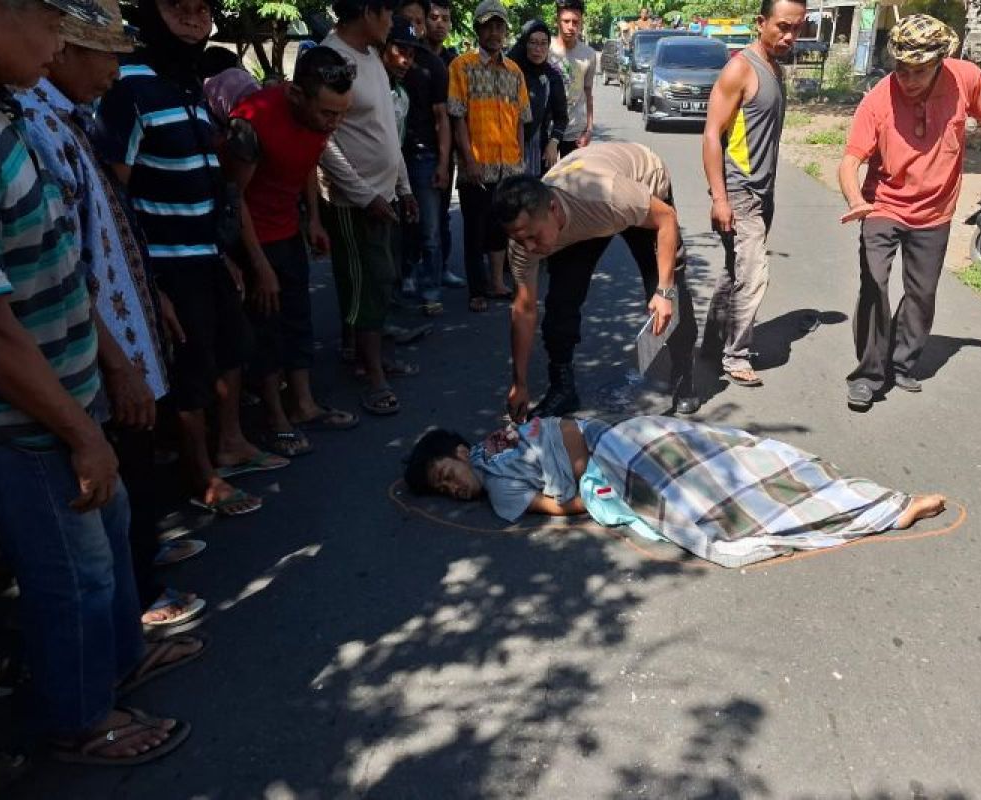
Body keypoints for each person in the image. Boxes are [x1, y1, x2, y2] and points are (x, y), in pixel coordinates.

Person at [0, 0, 202, 764]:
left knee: (107, 539)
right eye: (47, 18)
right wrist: (75, 429)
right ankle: (80, 718)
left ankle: (120, 659)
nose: (59, 41)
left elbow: (60, 262)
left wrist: (109, 364)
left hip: (71, 396)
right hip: (25, 421)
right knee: (71, 576)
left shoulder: (5, 115)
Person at [17, 0, 207, 628]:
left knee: (136, 459)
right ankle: (141, 598)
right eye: (106, 56)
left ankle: (145, 559)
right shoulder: (36, 125)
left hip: (125, 325)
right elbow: (63, 263)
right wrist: (117, 360)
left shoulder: (68, 116)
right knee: (118, 466)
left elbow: (106, 227)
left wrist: (154, 296)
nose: (113, 72)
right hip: (96, 350)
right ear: (65, 50)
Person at [97, 0, 285, 516]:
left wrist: (221, 252)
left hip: (206, 254)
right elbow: (115, 193)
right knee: (190, 374)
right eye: (178, 4)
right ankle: (200, 476)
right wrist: (148, 281)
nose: (193, 15)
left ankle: (232, 446)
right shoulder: (127, 86)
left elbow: (208, 178)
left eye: (203, 7)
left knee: (231, 350)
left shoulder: (186, 85)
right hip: (165, 262)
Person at [404, 416, 948, 567]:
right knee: (721, 457)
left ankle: (872, 504)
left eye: (445, 477)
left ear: (457, 453)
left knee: (713, 493)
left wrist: (595, 484)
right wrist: (592, 474)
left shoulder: (496, 471)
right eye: (444, 492)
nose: (452, 491)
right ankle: (878, 505)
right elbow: (563, 445)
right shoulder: (501, 442)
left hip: (609, 448)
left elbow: (562, 506)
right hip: (612, 437)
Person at [836, 15, 981, 411]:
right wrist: (856, 200)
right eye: (901, 70)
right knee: (874, 283)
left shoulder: (966, 79)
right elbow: (849, 161)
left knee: (922, 294)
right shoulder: (878, 100)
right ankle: (868, 375)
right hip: (882, 204)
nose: (908, 79)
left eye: (919, 71)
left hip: (936, 211)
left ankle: (903, 362)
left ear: (942, 59)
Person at [493, 143, 702, 420]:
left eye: (533, 236)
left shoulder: (608, 196)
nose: (529, 248)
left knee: (667, 293)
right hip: (585, 215)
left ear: (553, 210)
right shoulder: (524, 241)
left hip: (643, 189)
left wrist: (664, 291)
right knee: (560, 301)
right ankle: (562, 388)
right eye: (521, 240)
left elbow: (666, 219)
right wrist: (519, 383)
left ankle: (683, 373)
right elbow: (524, 310)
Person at [223, 46, 359, 459]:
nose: (333, 124)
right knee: (266, 327)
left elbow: (305, 169)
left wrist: (312, 220)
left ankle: (304, 405)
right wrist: (259, 265)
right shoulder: (251, 120)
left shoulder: (320, 119)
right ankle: (275, 417)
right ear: (297, 96)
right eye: (327, 114)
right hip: (251, 239)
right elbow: (234, 196)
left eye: (341, 114)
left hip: (287, 231)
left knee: (298, 318)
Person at [320, 0, 419, 417]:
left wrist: (404, 188)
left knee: (381, 280)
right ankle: (373, 374)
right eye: (386, 14)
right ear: (366, 11)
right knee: (364, 283)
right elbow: (324, 140)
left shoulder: (372, 59)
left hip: (386, 196)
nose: (391, 23)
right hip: (352, 201)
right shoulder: (329, 59)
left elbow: (385, 133)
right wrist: (364, 195)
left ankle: (363, 353)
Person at [701, 0, 805, 388]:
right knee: (754, 272)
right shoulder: (740, 68)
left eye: (797, 28)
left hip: (763, 190)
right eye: (782, 26)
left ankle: (713, 345)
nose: (789, 35)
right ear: (761, 22)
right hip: (740, 190)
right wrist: (719, 198)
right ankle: (736, 354)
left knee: (735, 271)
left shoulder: (775, 68)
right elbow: (712, 134)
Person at [447, 0, 532, 311]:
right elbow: (457, 118)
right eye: (489, 26)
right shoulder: (461, 66)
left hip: (508, 167)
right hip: (477, 166)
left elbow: (522, 120)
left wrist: (520, 161)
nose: (495, 32)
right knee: (475, 229)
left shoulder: (514, 71)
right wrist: (468, 161)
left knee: (500, 228)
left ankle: (497, 282)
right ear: (478, 29)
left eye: (500, 27)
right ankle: (477, 290)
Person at [394, 0, 453, 315]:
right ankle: (403, 279)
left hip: (424, 156)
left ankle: (431, 288)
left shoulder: (433, 65)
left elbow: (442, 119)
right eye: (410, 20)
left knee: (429, 228)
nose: (416, 28)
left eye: (419, 21)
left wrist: (443, 163)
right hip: (390, 158)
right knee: (400, 226)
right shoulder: (383, 62)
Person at [425, 0, 466, 288]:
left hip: (447, 146)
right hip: (417, 146)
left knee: (440, 212)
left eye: (445, 18)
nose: (440, 23)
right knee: (421, 217)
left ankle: (441, 268)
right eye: (434, 17)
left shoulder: (453, 61)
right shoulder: (410, 57)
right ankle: (418, 273)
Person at [509, 19, 568, 177]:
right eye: (533, 43)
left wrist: (554, 142)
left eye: (543, 44)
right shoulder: (510, 72)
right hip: (507, 147)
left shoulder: (552, 77)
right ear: (524, 44)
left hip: (539, 150)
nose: (538, 49)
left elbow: (561, 117)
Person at [550, 0, 596, 158]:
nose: (571, 26)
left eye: (575, 22)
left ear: (581, 23)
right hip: (547, 129)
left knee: (572, 181)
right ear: (557, 21)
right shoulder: (544, 49)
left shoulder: (589, 54)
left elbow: (588, 93)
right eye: (566, 21)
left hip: (575, 132)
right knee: (545, 180)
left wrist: (589, 130)